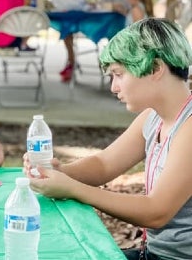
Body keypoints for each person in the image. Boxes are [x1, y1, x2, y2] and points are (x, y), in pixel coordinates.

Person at [25, 18, 192, 260]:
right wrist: (58, 172)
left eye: (119, 74)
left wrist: (73, 189)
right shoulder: (153, 117)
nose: (113, 87)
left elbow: (157, 211)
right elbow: (104, 164)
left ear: (156, 68)